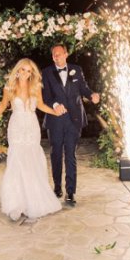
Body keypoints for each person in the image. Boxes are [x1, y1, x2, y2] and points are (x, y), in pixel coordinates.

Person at [0, 58, 64, 221]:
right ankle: (16, 201)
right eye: (22, 70)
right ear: (18, 70)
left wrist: (54, 112)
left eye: (29, 71)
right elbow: (2, 106)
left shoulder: (36, 87)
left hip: (31, 126)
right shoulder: (9, 87)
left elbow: (41, 105)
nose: (25, 73)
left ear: (32, 73)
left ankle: (32, 199)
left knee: (31, 160)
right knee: (16, 160)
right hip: (16, 127)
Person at [41, 45, 100, 205]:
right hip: (56, 120)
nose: (57, 57)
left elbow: (84, 89)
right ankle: (57, 187)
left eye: (59, 54)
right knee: (56, 154)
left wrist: (91, 95)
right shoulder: (46, 72)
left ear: (66, 54)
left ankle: (70, 192)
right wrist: (54, 105)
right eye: (54, 55)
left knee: (70, 155)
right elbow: (45, 96)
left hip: (74, 120)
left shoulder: (76, 69)